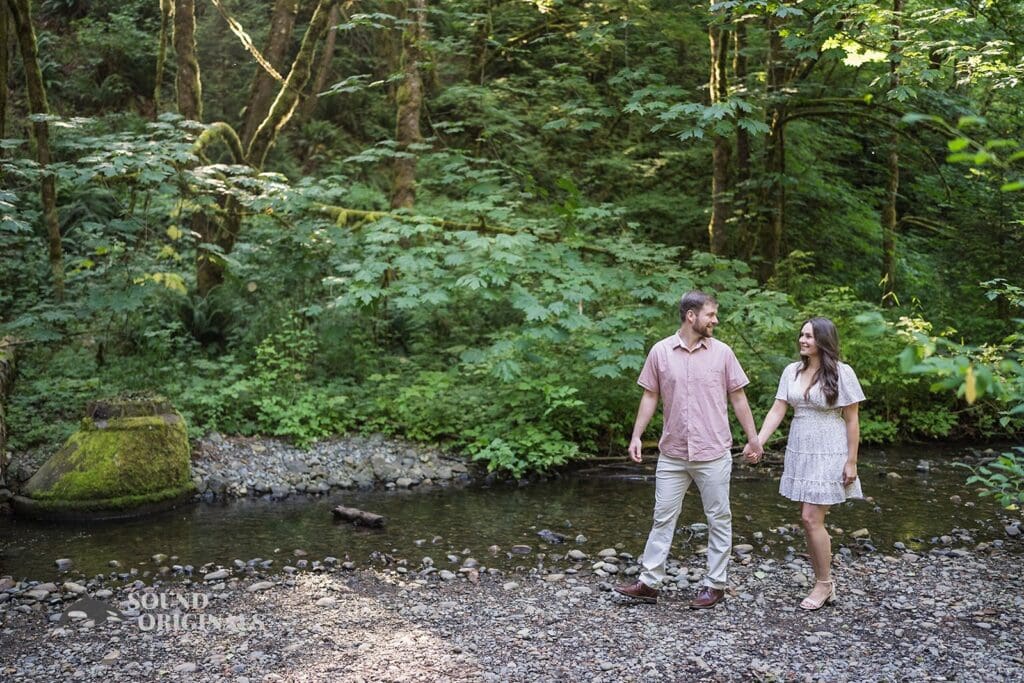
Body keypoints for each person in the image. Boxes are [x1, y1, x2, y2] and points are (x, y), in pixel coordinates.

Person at [615, 291, 762, 609]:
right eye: (711, 315)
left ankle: (715, 584)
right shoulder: (660, 352)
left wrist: (753, 439)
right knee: (662, 517)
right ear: (691, 316)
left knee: (719, 518)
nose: (715, 320)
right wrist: (637, 436)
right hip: (673, 453)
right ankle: (649, 584)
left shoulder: (722, 353)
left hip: (713, 451)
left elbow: (738, 397)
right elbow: (650, 396)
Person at [749, 316, 865, 611]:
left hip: (830, 448)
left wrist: (851, 462)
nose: (803, 340)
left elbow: (852, 420)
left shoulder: (842, 372)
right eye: (801, 335)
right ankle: (823, 580)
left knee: (812, 518)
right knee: (806, 518)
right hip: (800, 447)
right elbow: (778, 409)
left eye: (810, 336)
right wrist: (758, 441)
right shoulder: (792, 370)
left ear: (823, 340)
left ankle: (824, 584)